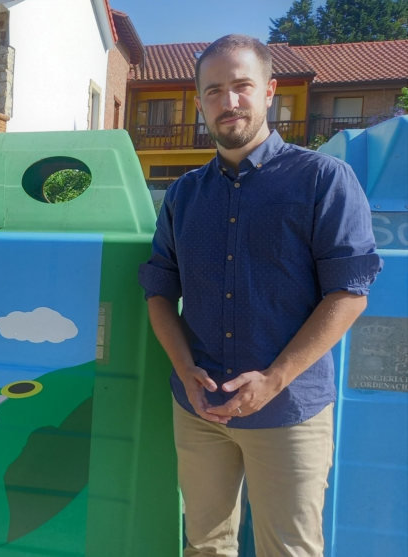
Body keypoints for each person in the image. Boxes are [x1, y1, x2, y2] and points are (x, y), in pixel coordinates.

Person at [138, 35, 381, 557]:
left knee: (288, 551)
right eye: (214, 91)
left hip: (289, 411)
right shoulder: (183, 195)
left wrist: (272, 380)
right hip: (200, 411)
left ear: (270, 91)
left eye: (242, 86)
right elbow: (159, 291)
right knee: (204, 545)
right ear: (200, 101)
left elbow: (349, 293)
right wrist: (185, 372)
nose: (229, 103)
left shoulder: (323, 179)